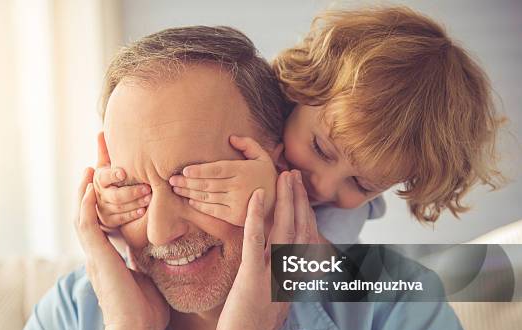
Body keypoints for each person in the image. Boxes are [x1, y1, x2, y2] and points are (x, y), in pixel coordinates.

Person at [0, 25, 478, 330]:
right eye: (135, 187)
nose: (320, 188)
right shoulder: (73, 312)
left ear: (268, 159)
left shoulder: (397, 307)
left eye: (196, 181)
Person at [97, 6, 504, 245]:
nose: (323, 187)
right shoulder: (242, 116)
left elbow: (328, 281)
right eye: (322, 149)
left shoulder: (343, 221)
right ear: (298, 90)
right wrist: (119, 200)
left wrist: (272, 210)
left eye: (361, 185)